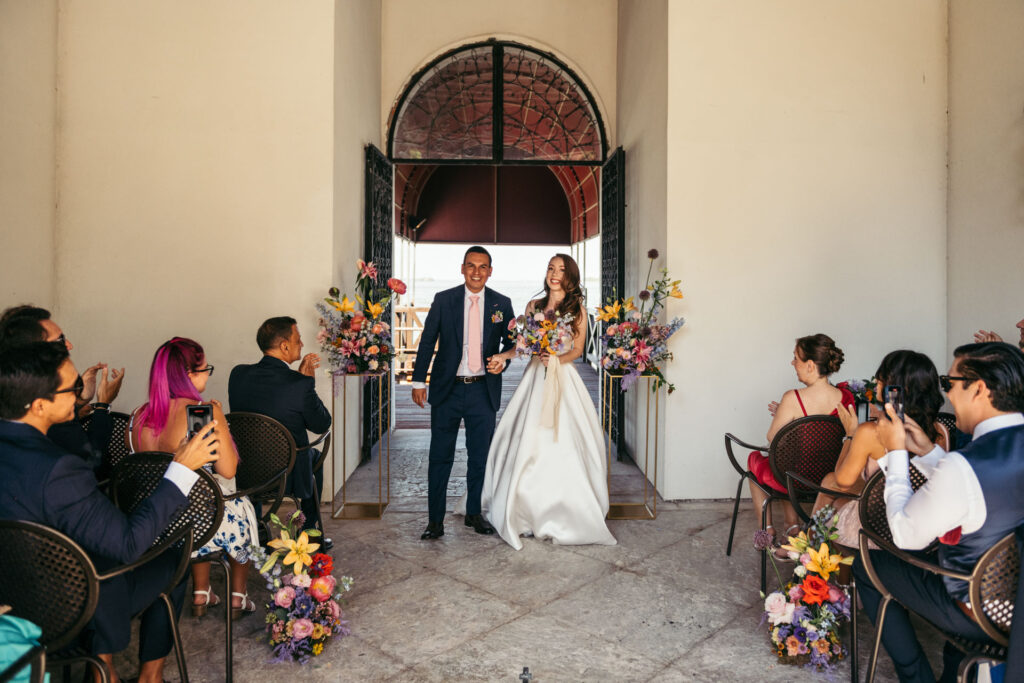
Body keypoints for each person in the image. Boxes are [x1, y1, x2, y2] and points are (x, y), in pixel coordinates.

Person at [0, 342, 220, 683]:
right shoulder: (59, 468)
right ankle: (148, 676)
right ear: (40, 404)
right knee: (174, 554)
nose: (79, 395)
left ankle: (104, 672)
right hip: (66, 607)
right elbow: (128, 544)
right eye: (72, 389)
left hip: (12, 592)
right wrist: (181, 468)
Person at [854, 341, 1024, 682]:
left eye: (950, 384)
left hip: (976, 608)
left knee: (866, 561)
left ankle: (915, 676)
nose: (947, 396)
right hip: (1014, 600)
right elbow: (971, 491)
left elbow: (905, 534)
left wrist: (897, 452)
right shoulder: (978, 458)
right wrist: (929, 453)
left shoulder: (964, 464)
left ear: (978, 389)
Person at [468, 253, 616, 550]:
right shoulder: (533, 307)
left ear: (570, 276)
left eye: (561, 269)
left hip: (563, 377)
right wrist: (502, 355)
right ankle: (520, 510)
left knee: (565, 441)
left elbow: (577, 350)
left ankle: (565, 510)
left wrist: (556, 358)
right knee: (527, 438)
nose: (554, 273)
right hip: (535, 377)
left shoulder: (578, 310)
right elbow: (522, 347)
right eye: (551, 268)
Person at [129, 338, 259, 618]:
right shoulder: (200, 413)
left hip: (159, 525)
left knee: (199, 502)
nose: (208, 374)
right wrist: (220, 419)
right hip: (200, 526)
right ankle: (237, 597)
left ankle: (202, 591)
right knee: (241, 508)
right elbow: (228, 470)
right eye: (205, 368)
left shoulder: (139, 415)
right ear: (188, 374)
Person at [411, 246, 516, 540]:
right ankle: (435, 521)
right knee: (439, 456)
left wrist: (502, 360)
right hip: (448, 390)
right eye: (471, 266)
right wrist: (419, 382)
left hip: (483, 391)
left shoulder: (501, 303)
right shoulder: (444, 300)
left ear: (490, 271)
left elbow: (513, 344)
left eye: (483, 267)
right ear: (462, 268)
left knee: (479, 457)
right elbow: (428, 340)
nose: (476, 272)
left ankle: (473, 513)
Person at [811, 349, 948, 549]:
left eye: (881, 379)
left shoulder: (869, 432)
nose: (876, 382)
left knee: (831, 498)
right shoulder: (940, 432)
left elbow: (843, 480)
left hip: (875, 527)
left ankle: (809, 555)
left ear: (895, 388)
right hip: (920, 526)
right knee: (836, 496)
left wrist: (851, 433)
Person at [228, 316, 333, 550]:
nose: (302, 344)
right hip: (288, 474)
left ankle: (256, 526)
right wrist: (308, 383)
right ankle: (309, 532)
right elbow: (322, 424)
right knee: (314, 457)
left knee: (256, 451)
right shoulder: (298, 383)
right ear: (284, 346)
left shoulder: (237, 375)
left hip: (245, 470)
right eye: (298, 339)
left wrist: (300, 381)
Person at [746, 334, 854, 544]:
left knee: (757, 459)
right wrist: (786, 414)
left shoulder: (792, 398)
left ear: (811, 365)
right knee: (792, 461)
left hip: (794, 477)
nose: (792, 363)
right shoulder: (846, 397)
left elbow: (772, 438)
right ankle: (792, 525)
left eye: (796, 358)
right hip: (828, 476)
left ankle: (766, 530)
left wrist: (785, 414)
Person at [0, 305, 124, 473]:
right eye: (60, 341)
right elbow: (93, 461)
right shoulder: (43, 413)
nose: (69, 345)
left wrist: (79, 398)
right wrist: (103, 405)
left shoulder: (18, 392)